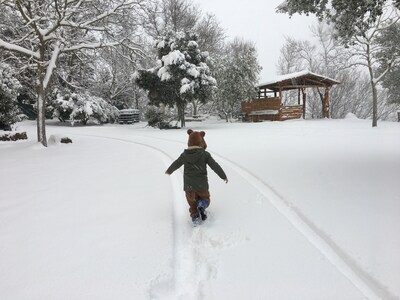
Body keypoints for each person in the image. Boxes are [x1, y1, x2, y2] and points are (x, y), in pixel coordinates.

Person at [165, 129, 228, 224]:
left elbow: (176, 163)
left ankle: (195, 217)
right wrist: (223, 176)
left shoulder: (184, 155)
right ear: (201, 141)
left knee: (192, 204)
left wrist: (169, 171)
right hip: (201, 185)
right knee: (206, 198)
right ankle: (202, 204)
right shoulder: (205, 154)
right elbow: (215, 166)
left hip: (189, 186)